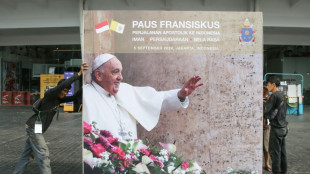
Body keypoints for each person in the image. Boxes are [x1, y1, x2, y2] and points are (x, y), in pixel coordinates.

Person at [83, 53, 203, 140]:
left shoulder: (125, 90)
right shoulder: (85, 96)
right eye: (115, 72)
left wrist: (180, 95)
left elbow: (155, 99)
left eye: (121, 72)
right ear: (99, 75)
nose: (121, 77)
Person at [13, 63, 88, 174]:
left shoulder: (58, 99)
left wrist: (82, 88)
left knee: (27, 155)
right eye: (64, 90)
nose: (65, 93)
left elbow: (73, 97)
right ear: (59, 89)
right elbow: (63, 85)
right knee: (43, 154)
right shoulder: (50, 94)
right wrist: (78, 74)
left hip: (35, 129)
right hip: (33, 128)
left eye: (67, 91)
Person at [264, 76, 288, 174]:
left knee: (275, 153)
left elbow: (266, 109)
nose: (267, 86)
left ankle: (276, 172)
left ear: (273, 84)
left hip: (276, 128)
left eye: (268, 84)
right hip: (284, 128)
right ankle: (284, 171)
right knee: (283, 152)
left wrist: (264, 102)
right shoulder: (282, 95)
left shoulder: (274, 95)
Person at [263, 81, 272, 171]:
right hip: (256, 126)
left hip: (266, 126)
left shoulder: (269, 99)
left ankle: (267, 163)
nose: (265, 90)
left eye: (266, 88)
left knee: (266, 146)